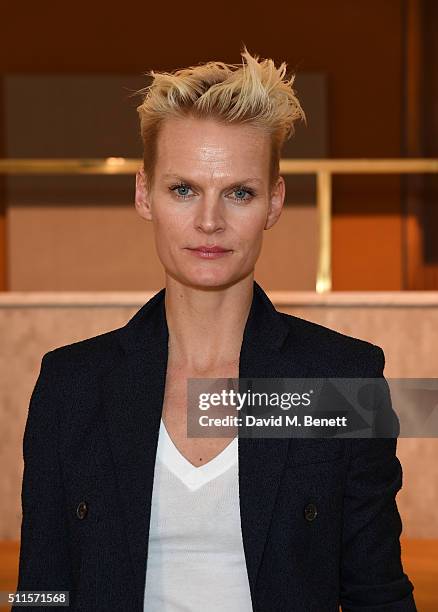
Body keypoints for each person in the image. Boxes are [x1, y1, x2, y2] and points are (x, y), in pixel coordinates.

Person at [13, 46, 417, 611]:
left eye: (239, 192)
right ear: (143, 193)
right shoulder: (71, 383)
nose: (210, 221)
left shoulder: (341, 378)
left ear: (274, 201)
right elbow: (40, 592)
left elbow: (377, 592)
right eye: (183, 190)